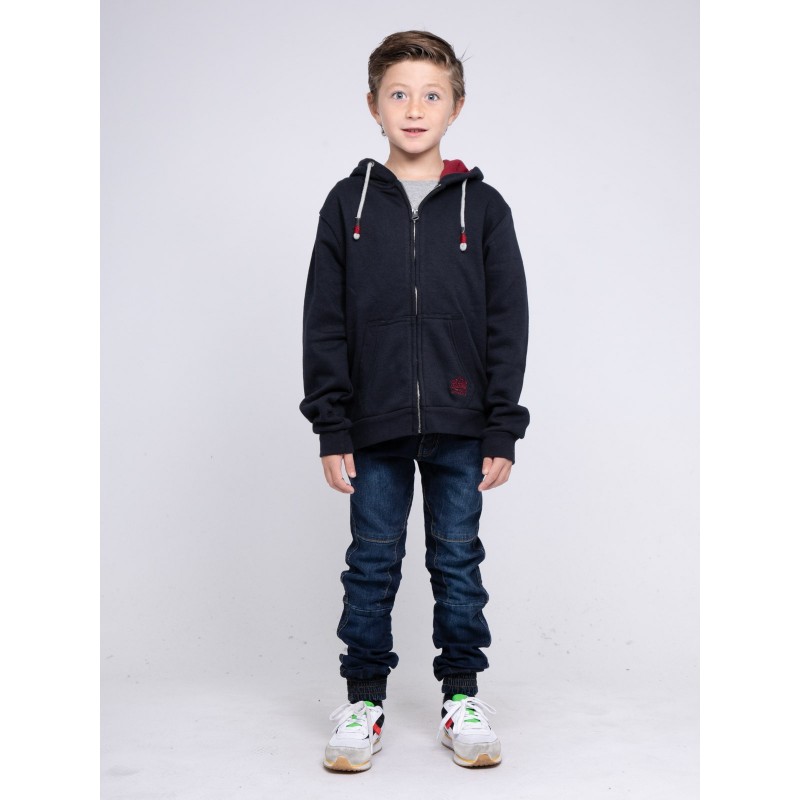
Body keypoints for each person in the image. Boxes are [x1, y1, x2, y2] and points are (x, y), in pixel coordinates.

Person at [299, 30, 530, 771]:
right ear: (373, 105)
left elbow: (508, 321)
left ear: (456, 107)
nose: (414, 108)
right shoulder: (348, 203)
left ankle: (461, 697)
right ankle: (363, 701)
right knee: (371, 564)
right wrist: (332, 424)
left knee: (458, 564)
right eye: (398, 93)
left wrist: (502, 427)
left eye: (432, 94)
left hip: (464, 424)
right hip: (373, 423)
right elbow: (323, 319)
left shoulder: (483, 208)